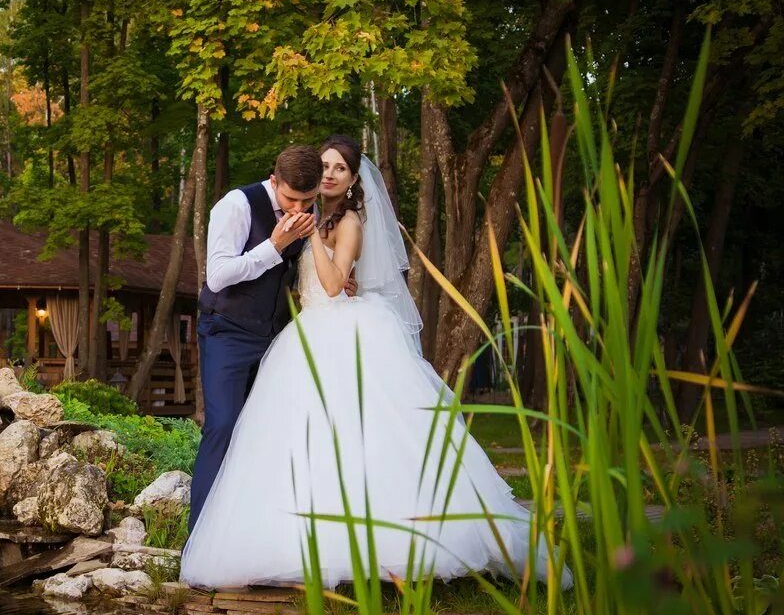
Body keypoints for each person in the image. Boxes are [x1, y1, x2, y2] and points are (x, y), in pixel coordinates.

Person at [181, 135, 567, 590]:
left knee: (354, 437)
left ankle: (374, 543)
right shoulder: (267, 210)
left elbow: (328, 283)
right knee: (258, 435)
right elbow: (256, 274)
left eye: (339, 169)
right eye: (323, 166)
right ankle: (223, 539)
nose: (328, 175)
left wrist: (316, 254)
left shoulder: (345, 224)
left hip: (328, 333)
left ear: (352, 179)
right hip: (274, 333)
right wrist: (291, 246)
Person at [189, 145, 324, 532]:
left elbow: (292, 274)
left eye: (308, 200)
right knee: (223, 425)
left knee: (266, 434)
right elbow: (218, 275)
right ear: (273, 180)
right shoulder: (237, 205)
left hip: (275, 338)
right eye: (291, 199)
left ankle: (249, 537)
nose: (299, 209)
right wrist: (274, 246)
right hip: (226, 331)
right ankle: (199, 539)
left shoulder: (307, 212)